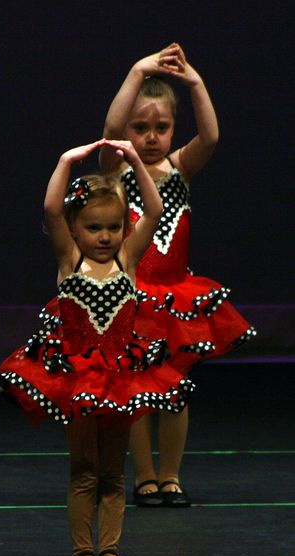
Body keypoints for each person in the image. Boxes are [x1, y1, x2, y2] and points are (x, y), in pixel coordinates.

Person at [0, 138, 195, 556]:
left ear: (124, 228)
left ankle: (112, 550)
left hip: (120, 379)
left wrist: (136, 162)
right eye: (93, 228)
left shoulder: (127, 259)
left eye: (113, 227)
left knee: (113, 474)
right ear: (74, 228)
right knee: (84, 469)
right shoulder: (69, 261)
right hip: (80, 382)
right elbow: (50, 209)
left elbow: (156, 210)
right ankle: (83, 550)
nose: (104, 237)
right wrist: (66, 160)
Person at [100, 43, 256, 508]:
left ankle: (170, 475)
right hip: (134, 296)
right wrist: (136, 70)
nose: (150, 137)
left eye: (161, 128)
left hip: (176, 297)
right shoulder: (118, 169)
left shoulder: (179, 168)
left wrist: (195, 83)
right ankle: (144, 476)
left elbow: (210, 137)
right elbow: (110, 129)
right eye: (141, 127)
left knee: (176, 392)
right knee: (138, 391)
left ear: (173, 130)